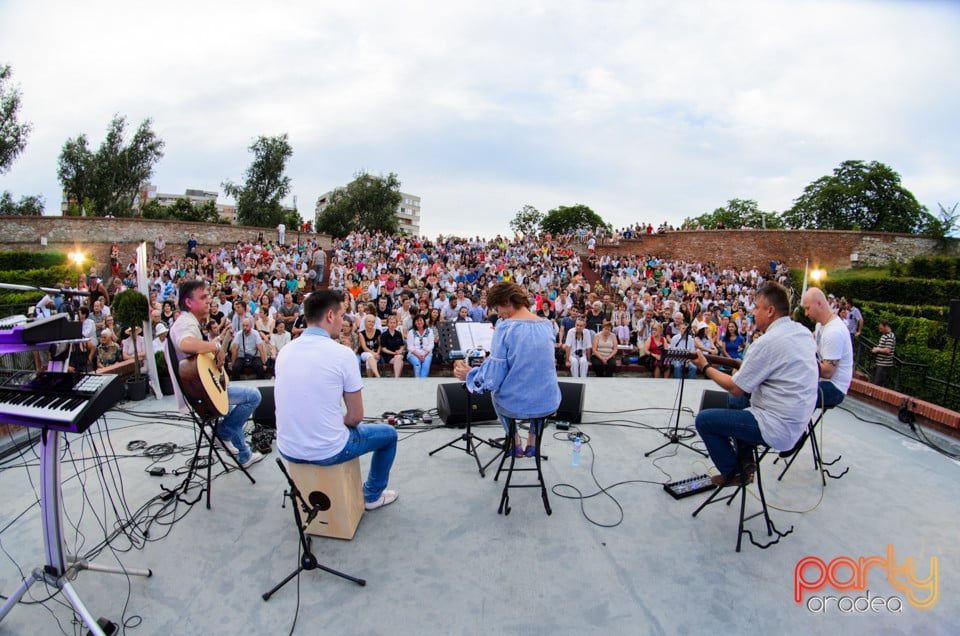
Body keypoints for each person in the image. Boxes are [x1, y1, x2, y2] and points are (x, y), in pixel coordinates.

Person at [275, 289, 398, 510]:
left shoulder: (285, 350)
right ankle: (371, 496)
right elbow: (355, 417)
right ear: (330, 316)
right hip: (328, 449)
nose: (343, 322)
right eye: (342, 316)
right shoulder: (342, 354)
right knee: (389, 435)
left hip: (287, 448)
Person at [692, 281, 819, 486]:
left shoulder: (767, 342)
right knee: (736, 403)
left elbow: (735, 387)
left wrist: (705, 367)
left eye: (756, 307)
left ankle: (734, 473)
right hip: (797, 421)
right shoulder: (802, 332)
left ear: (770, 311)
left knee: (705, 420)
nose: (752, 312)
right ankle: (746, 459)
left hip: (777, 426)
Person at [453, 281, 561, 458]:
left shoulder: (505, 327)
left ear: (507, 301)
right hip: (548, 402)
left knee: (496, 393)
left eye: (497, 307)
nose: (498, 314)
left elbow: (493, 378)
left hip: (516, 404)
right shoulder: (547, 325)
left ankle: (514, 440)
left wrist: (470, 375)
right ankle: (533, 441)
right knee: (538, 385)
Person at [169, 280, 263, 468]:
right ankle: (223, 433)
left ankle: (244, 454)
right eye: (203, 297)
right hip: (201, 394)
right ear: (188, 302)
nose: (208, 301)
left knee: (230, 411)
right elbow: (185, 344)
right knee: (253, 396)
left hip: (203, 388)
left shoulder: (191, 322)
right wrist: (216, 346)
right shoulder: (185, 322)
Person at [801, 288, 853, 408]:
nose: (806, 313)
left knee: (795, 393)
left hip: (835, 387)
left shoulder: (834, 332)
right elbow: (808, 341)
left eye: (808, 308)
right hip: (825, 382)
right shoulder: (820, 325)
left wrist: (802, 365)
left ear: (819, 304)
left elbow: (827, 372)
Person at [871, 319, 896, 386]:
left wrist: (877, 350)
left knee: (877, 384)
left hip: (884, 365)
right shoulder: (884, 335)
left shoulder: (890, 336)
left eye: (881, 328)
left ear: (886, 326)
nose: (880, 330)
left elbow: (888, 350)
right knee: (873, 382)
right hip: (879, 363)